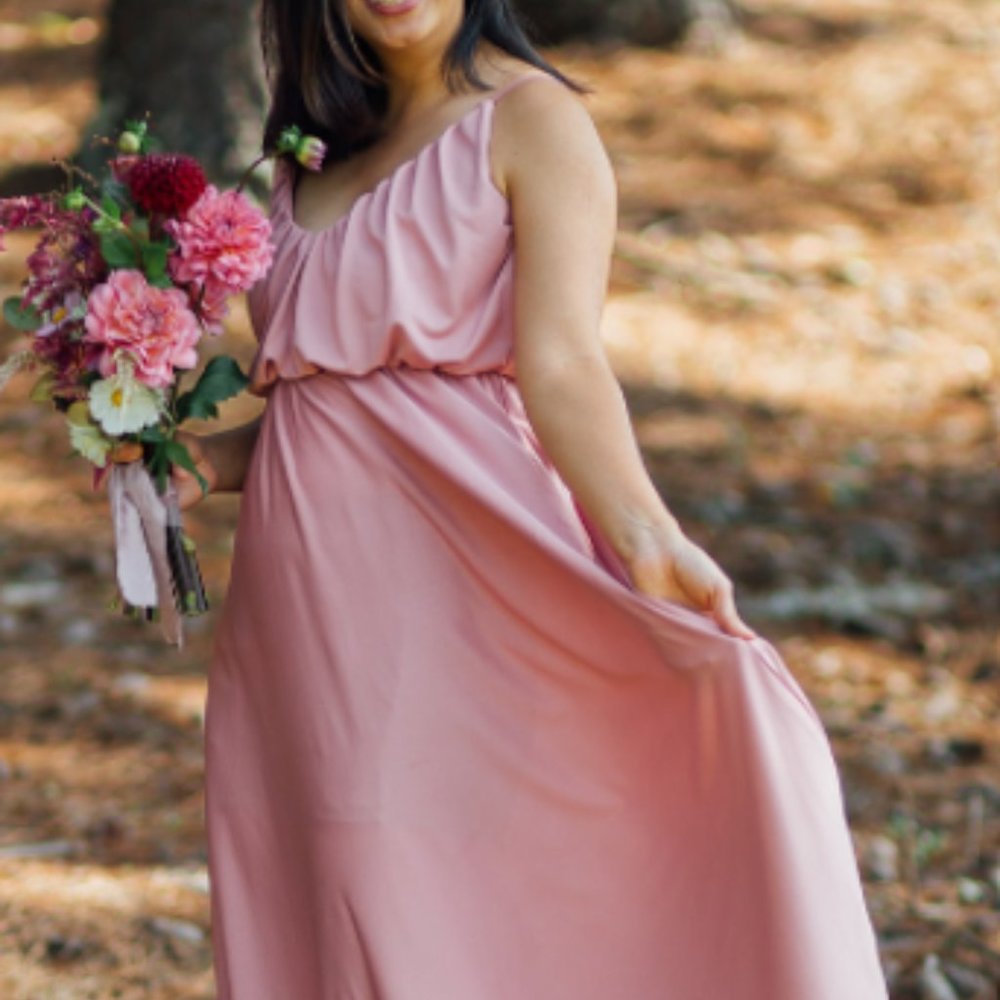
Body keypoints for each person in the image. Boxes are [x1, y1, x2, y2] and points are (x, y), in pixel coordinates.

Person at [172, 1, 891, 997]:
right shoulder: (305, 160)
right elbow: (321, 406)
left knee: (422, 869)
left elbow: (561, 363)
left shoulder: (531, 120)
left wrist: (648, 535)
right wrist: (189, 463)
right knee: (335, 878)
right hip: (304, 615)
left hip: (467, 577)